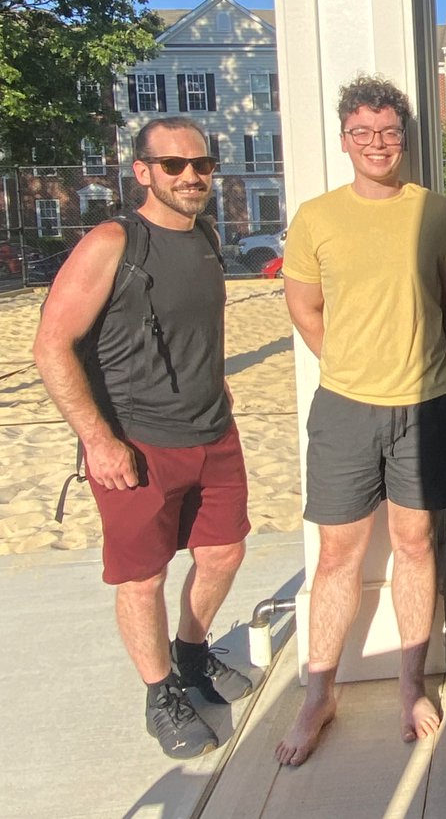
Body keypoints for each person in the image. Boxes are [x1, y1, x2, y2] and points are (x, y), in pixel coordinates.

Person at [33, 117, 253, 759]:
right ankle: (161, 694)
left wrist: (216, 384)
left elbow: (194, 328)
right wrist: (97, 440)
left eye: (201, 164)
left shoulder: (207, 236)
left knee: (223, 553)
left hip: (213, 429)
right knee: (142, 577)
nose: (191, 176)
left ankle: (191, 653)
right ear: (143, 172)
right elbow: (51, 345)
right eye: (173, 165)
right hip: (136, 440)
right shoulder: (113, 242)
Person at [276, 75, 446, 766]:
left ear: (404, 138)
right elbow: (304, 308)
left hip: (426, 403)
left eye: (388, 132)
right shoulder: (316, 217)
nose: (377, 143)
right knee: (337, 555)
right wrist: (351, 365)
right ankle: (317, 694)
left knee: (415, 544)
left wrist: (419, 363)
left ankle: (412, 685)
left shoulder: (437, 213)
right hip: (345, 408)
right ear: (344, 139)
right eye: (363, 132)